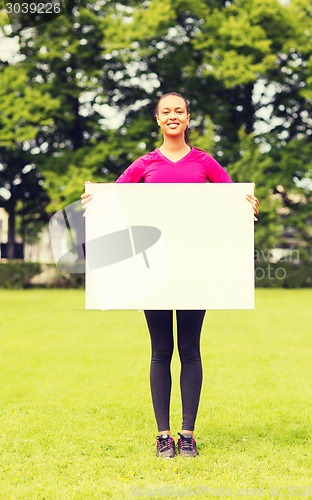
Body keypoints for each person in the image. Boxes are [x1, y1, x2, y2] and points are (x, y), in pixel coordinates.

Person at [81, 92, 259, 459]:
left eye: (179, 111)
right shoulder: (145, 164)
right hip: (153, 272)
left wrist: (248, 205)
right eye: (167, 112)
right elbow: (113, 201)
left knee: (190, 351)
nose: (173, 116)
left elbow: (231, 203)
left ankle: (187, 435)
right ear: (158, 119)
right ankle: (163, 437)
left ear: (188, 118)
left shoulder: (205, 163)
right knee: (161, 351)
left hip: (195, 267)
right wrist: (93, 203)